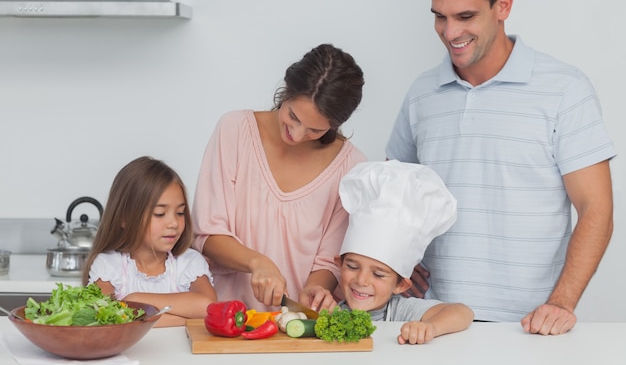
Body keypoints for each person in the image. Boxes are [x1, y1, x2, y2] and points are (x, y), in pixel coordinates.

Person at [385, 0, 616, 335]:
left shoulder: (564, 89)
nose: (450, 32)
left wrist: (561, 303)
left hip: (530, 328)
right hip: (431, 323)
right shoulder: (422, 93)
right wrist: (398, 258)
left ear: (503, 5)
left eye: (465, 16)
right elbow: (394, 193)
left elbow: (596, 208)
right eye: (439, 17)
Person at [192, 43, 367, 312]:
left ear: (334, 125)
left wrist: (316, 289)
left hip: (298, 327)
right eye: (293, 116)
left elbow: (329, 261)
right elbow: (207, 234)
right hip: (226, 321)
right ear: (286, 90)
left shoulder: (351, 166)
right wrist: (257, 262)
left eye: (314, 130)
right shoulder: (235, 131)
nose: (296, 135)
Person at [335, 160, 474, 344]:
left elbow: (463, 312)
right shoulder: (333, 311)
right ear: (339, 264)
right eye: (352, 266)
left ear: (401, 285)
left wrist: (430, 327)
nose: (361, 280)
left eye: (378, 274)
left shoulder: (403, 311)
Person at [83, 156, 217, 327]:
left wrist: (135, 299)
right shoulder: (108, 265)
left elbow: (207, 306)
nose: (174, 223)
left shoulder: (189, 262)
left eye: (180, 212)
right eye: (160, 214)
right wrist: (185, 319)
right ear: (125, 218)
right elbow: (105, 317)